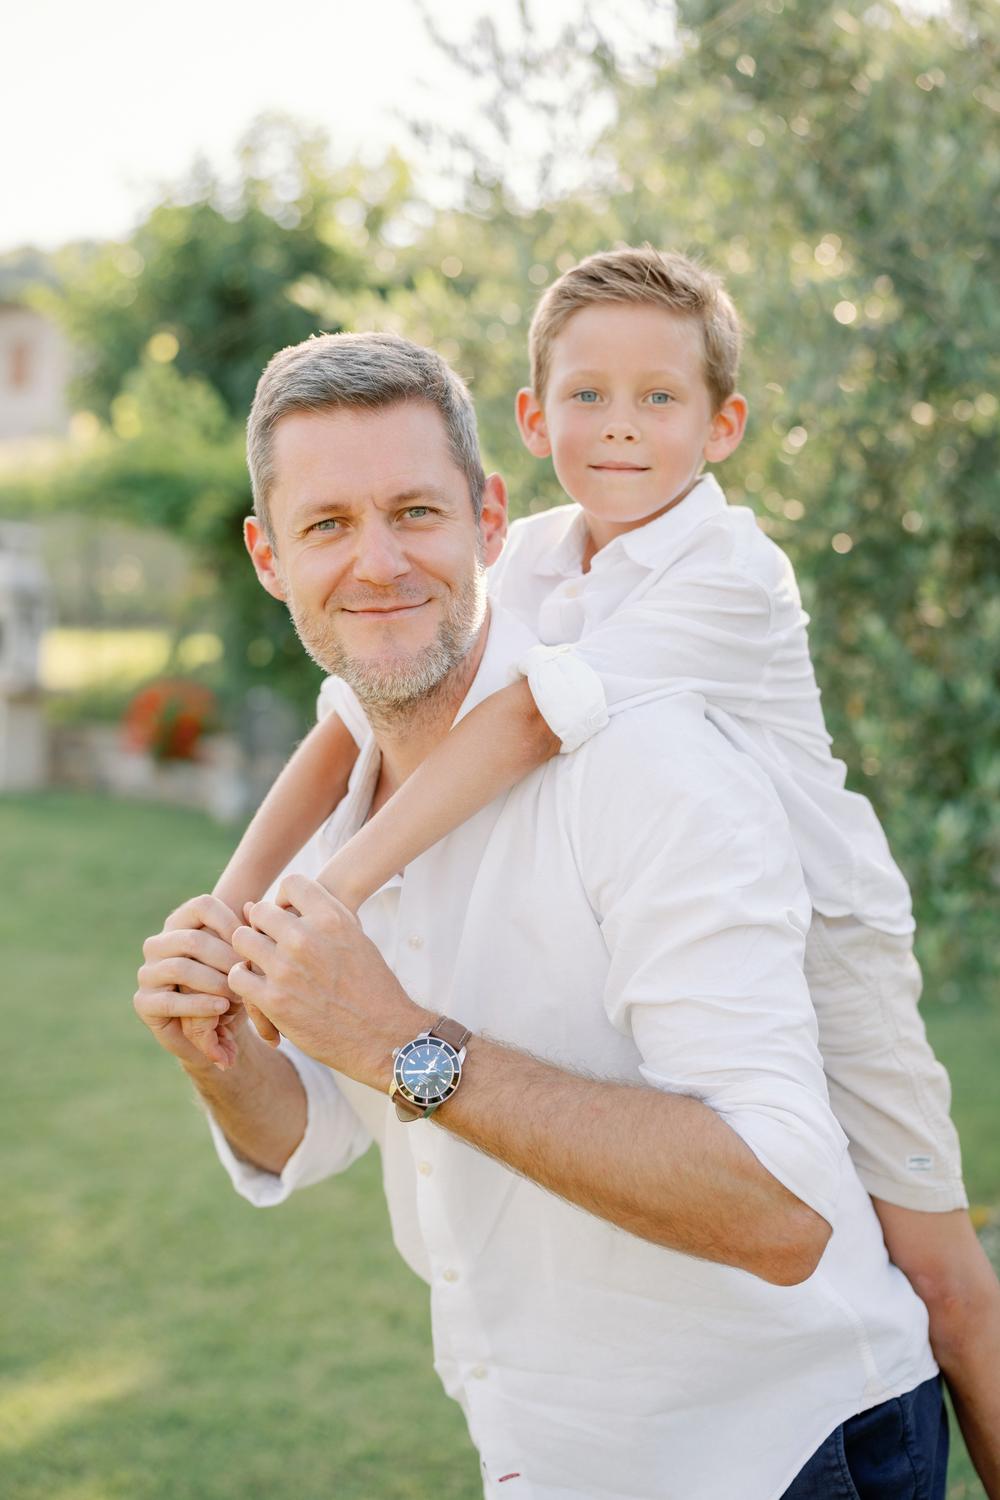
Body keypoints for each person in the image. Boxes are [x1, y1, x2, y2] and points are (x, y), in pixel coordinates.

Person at [179, 250, 1000, 1491]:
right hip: (556, 1461)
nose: (382, 562)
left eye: (414, 513)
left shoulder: (693, 648)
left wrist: (355, 953)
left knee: (945, 1276)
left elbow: (780, 1213)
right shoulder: (529, 582)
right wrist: (221, 949)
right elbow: (340, 727)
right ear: (269, 556)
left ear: (480, 518)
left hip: (783, 1440)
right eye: (328, 526)